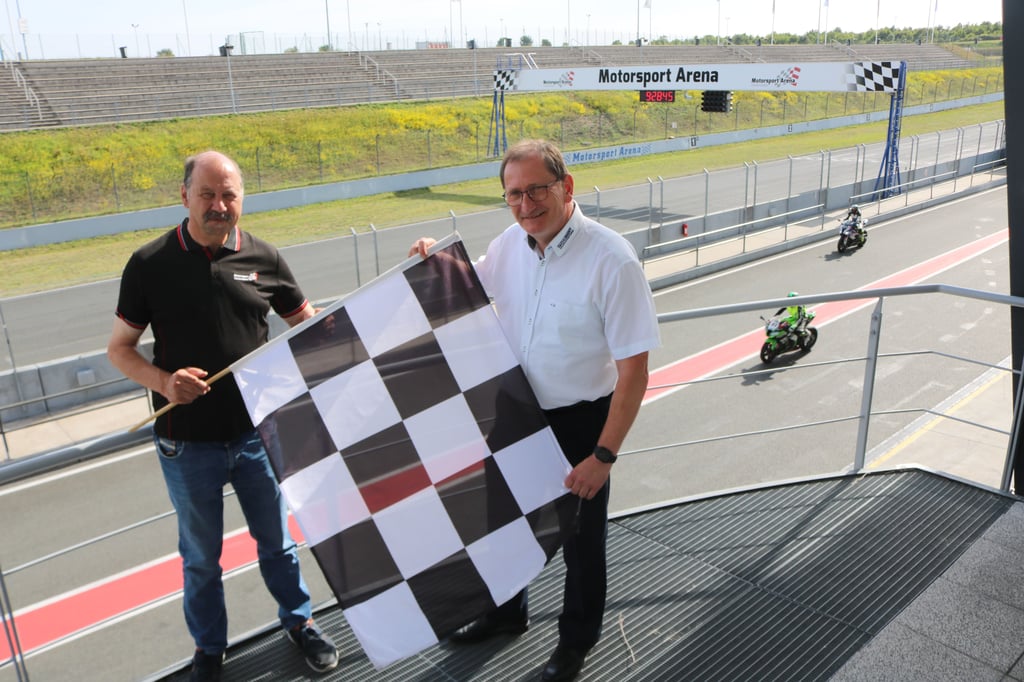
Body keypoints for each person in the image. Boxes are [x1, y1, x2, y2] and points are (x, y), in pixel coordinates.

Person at [410, 139, 661, 682]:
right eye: (514, 194)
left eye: (537, 190)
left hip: (580, 423)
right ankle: (505, 614)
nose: (526, 205)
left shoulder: (612, 259)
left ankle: (574, 645)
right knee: (500, 526)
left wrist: (603, 455)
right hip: (515, 410)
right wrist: (433, 259)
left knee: (581, 546)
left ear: (567, 187)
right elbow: (466, 285)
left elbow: (634, 373)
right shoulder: (509, 243)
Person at [106, 151, 339, 681]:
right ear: (183, 195)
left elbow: (312, 329)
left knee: (278, 543)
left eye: (229, 194)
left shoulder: (266, 256)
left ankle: (299, 622)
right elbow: (120, 349)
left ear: (242, 198)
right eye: (207, 194)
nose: (218, 205)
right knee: (201, 558)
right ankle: (210, 650)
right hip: (185, 444)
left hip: (257, 434)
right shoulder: (149, 263)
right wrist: (164, 382)